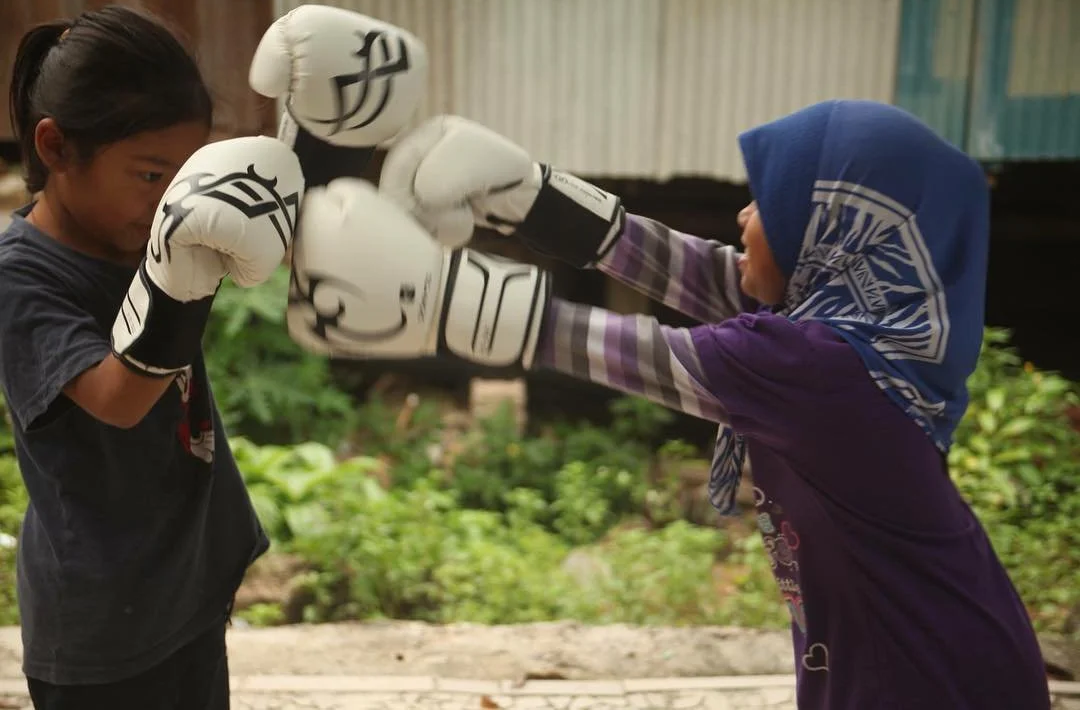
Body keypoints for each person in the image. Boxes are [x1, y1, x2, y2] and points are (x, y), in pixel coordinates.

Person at [285, 101, 1053, 709]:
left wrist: (438, 294)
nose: (745, 218)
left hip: (931, 682)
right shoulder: (855, 338)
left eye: (770, 205)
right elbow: (705, 273)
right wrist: (528, 195)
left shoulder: (825, 369)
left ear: (836, 234)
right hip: (923, 656)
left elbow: (631, 352)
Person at [0, 5, 308, 709]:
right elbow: (118, 397)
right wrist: (188, 263)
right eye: (148, 175)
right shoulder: (21, 278)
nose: (170, 200)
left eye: (183, 177)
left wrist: (322, 142)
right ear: (55, 147)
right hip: (102, 629)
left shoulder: (139, 238)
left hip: (186, 588)